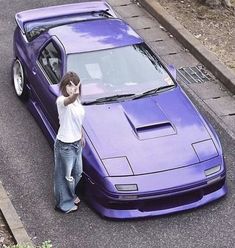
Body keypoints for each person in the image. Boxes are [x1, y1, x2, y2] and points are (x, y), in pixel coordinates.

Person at [54, 71, 85, 214]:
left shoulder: (78, 102)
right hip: (65, 145)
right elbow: (69, 100)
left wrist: (81, 135)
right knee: (64, 176)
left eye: (75, 85)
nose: (72, 88)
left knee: (77, 173)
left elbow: (78, 121)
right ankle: (63, 204)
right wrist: (75, 94)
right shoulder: (61, 101)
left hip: (76, 144)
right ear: (64, 87)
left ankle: (70, 195)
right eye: (69, 85)